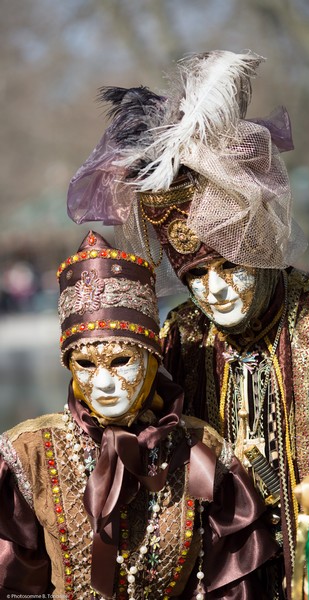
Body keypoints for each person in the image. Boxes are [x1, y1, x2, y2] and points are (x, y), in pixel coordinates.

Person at [67, 51, 309, 599]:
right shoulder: (180, 336)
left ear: (262, 247)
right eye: (197, 273)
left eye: (231, 266)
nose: (214, 290)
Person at [0, 230, 277, 599]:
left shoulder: (200, 450)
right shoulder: (27, 454)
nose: (104, 383)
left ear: (151, 360)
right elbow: (14, 584)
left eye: (120, 361)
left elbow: (230, 584)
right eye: (84, 363)